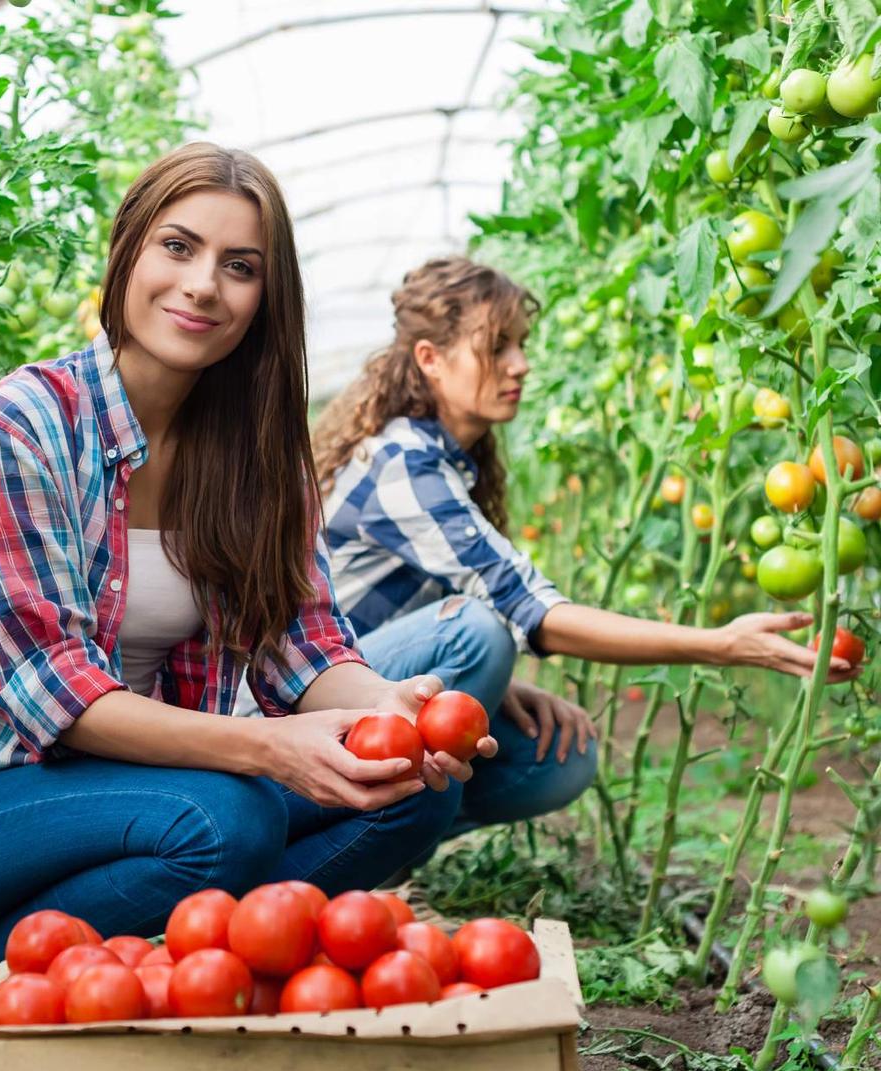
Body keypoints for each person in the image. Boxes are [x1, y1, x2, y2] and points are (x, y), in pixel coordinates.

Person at [0, 147, 493, 1044]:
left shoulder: (253, 459)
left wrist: (391, 711)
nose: (204, 285)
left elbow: (305, 643)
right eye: (178, 246)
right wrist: (268, 748)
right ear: (128, 252)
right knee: (225, 817)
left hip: (125, 792)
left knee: (407, 792)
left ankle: (178, 961)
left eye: (240, 267)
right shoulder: (25, 424)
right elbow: (62, 698)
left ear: (264, 299)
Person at [310, 255, 858, 842]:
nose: (520, 365)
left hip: (370, 682)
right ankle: (346, 831)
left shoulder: (448, 461)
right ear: (430, 359)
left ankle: (363, 845)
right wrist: (725, 645)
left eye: (520, 344)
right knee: (476, 634)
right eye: (496, 347)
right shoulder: (406, 466)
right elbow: (534, 615)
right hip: (310, 706)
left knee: (557, 760)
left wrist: (504, 689)